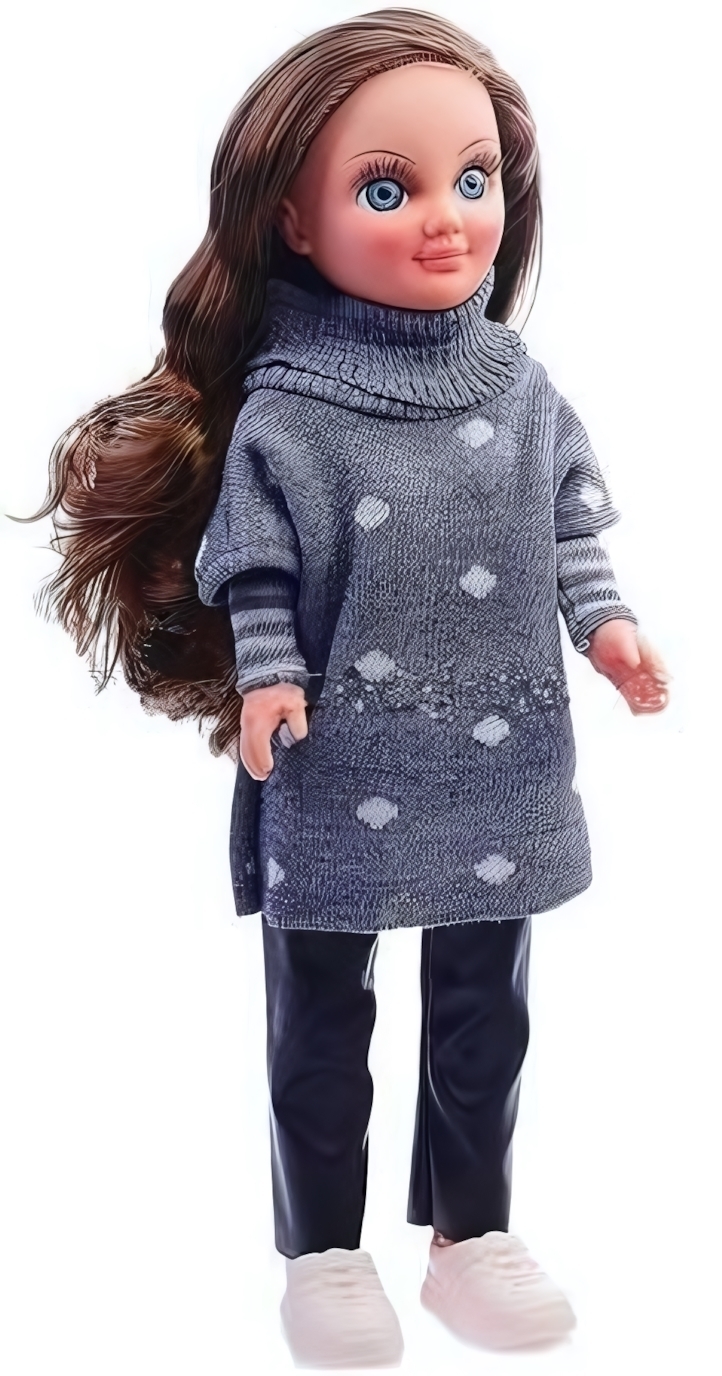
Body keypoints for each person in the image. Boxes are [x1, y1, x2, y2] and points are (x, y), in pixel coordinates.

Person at [26, 9, 669, 1369]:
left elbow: (565, 524)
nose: (447, 218)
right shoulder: (290, 410)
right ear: (293, 222)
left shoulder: (520, 386)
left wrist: (605, 626)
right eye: (388, 189)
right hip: (339, 756)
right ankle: (322, 1253)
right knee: (322, 1012)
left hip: (501, 756)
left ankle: (469, 1237)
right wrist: (264, 679)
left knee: (485, 1009)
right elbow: (256, 566)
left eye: (474, 179)